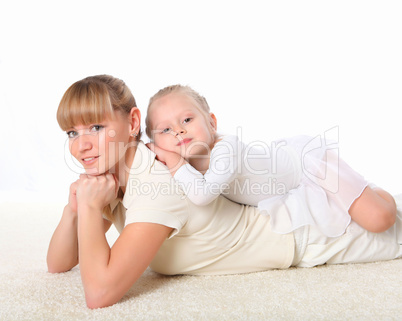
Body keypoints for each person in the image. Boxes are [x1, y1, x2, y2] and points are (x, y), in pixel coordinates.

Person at [47, 75, 402, 310]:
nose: (83, 145)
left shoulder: (154, 180)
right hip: (286, 219)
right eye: (72, 134)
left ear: (133, 123)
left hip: (303, 234)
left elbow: (100, 293)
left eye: (96, 127)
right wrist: (75, 209)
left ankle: (373, 192)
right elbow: (59, 263)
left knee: (387, 224)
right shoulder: (111, 176)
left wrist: (92, 211)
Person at [145, 84, 397, 236]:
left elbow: (202, 194)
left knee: (379, 220)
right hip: (287, 185)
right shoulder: (185, 162)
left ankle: (372, 189)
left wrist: (172, 160)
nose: (178, 131)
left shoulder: (225, 148)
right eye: (165, 130)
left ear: (211, 122)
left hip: (306, 165)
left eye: (187, 120)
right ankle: (358, 190)